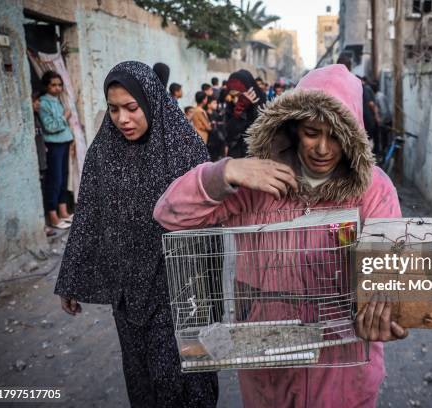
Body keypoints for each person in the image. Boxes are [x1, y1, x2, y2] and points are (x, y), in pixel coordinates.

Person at [153, 64, 407, 407]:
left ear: (353, 136)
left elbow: (396, 265)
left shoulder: (373, 188)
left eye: (335, 136)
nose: (322, 148)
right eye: (312, 132)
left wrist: (386, 306)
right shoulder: (257, 181)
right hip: (269, 359)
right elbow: (168, 214)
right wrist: (226, 171)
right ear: (293, 128)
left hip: (343, 367)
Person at [54, 61, 218, 408]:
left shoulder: (183, 147)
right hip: (127, 291)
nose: (122, 119)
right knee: (141, 377)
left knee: (178, 377)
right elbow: (88, 214)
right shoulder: (103, 150)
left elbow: (211, 217)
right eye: (113, 109)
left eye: (132, 107)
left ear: (152, 101)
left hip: (177, 290)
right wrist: (70, 279)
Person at [38, 70, 74, 230]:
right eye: (53, 85)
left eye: (60, 85)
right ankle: (53, 216)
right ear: (46, 86)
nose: (57, 88)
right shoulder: (43, 103)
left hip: (64, 143)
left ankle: (63, 212)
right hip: (54, 145)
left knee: (64, 177)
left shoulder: (58, 100)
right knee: (55, 179)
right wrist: (64, 117)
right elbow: (50, 127)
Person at [224, 69, 266, 158]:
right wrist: (239, 110)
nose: (235, 100)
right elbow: (229, 134)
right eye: (232, 96)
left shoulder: (262, 104)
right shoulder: (231, 106)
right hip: (236, 158)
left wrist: (252, 107)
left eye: (239, 95)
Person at [32, 91, 55, 237]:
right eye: (34, 101)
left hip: (42, 161)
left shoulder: (36, 118)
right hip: (36, 163)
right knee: (39, 193)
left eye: (38, 101)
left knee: (44, 189)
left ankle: (45, 223)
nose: (38, 104)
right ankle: (43, 225)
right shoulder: (30, 121)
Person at [205, 96, 226, 162]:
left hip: (219, 140)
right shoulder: (206, 115)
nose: (216, 105)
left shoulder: (217, 114)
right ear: (208, 105)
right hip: (211, 142)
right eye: (214, 103)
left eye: (216, 103)